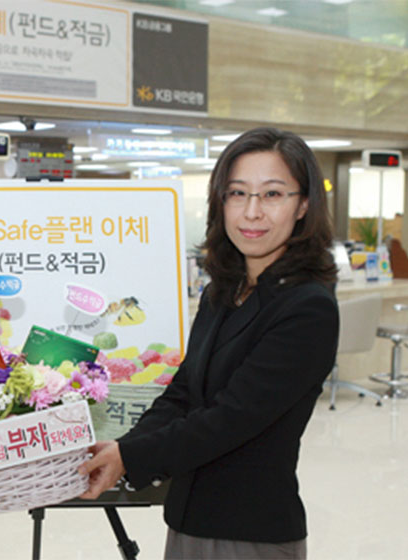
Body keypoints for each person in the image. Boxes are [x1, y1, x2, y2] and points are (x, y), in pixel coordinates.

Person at [79, 127, 340, 559]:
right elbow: (183, 392)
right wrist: (124, 446)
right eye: (237, 193)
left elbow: (231, 418)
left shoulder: (307, 307)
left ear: (304, 204)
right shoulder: (224, 290)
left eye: (272, 194)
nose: (251, 212)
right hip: (190, 517)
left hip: (250, 530)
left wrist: (131, 456)